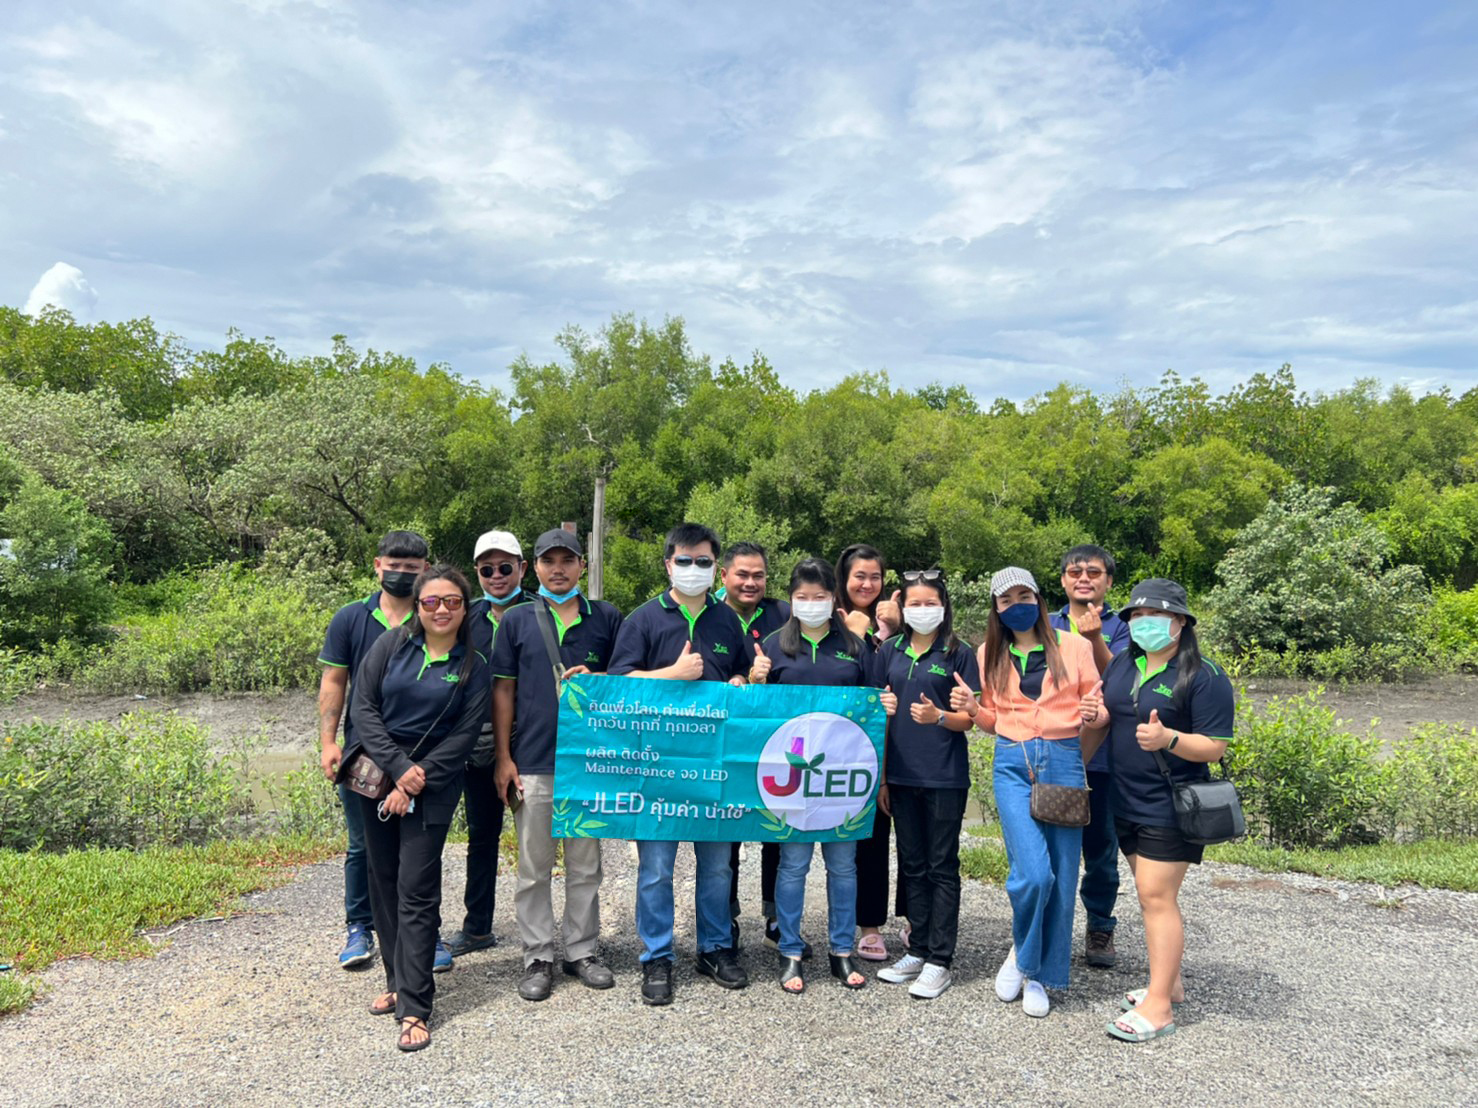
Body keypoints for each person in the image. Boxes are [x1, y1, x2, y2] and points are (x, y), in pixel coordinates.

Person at [1080, 578, 1234, 1044]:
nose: (1145, 624)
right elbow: (1105, 725)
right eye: (1137, 617)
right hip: (1124, 799)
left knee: (1155, 897)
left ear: (1181, 622)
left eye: (1157, 616)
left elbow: (1214, 747)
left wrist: (1168, 739)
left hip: (1171, 804)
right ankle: (1170, 982)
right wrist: (1093, 719)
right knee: (1151, 894)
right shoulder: (1124, 665)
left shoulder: (1204, 675)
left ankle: (1160, 1006)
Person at [607, 522, 755, 1006]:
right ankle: (656, 956)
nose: (695, 569)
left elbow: (737, 668)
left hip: (715, 765)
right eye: (685, 561)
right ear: (669, 563)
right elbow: (618, 686)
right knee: (655, 869)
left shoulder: (727, 619)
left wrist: (739, 679)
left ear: (717, 568)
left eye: (705, 562)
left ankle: (714, 948)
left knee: (716, 869)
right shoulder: (643, 619)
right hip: (657, 766)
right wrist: (672, 674)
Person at [345, 565, 491, 1052]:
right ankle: (395, 979)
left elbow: (465, 735)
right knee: (382, 883)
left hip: (433, 784)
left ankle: (415, 1006)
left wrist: (414, 779)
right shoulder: (389, 647)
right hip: (378, 775)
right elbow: (363, 708)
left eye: (452, 601)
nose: (442, 609)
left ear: (464, 608)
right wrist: (396, 767)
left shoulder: (474, 665)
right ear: (418, 606)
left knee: (417, 890)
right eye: (432, 602)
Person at [952, 566, 1099, 1018]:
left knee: (1061, 874)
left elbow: (1097, 705)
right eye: (1005, 600)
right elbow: (994, 719)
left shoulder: (1074, 646)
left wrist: (1095, 710)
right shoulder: (988, 654)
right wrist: (976, 710)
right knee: (1032, 873)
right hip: (1012, 762)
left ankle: (1036, 972)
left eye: (1023, 595)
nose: (1016, 605)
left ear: (1038, 597)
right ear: (996, 610)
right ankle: (1023, 950)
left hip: (1063, 761)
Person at [753, 558, 898, 994]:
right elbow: (754, 717)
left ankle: (841, 950)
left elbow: (875, 706)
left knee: (843, 865)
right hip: (792, 776)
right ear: (791, 598)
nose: (811, 604)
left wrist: (883, 707)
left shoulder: (856, 647)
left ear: (834, 599)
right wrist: (755, 681)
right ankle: (792, 951)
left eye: (820, 597)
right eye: (802, 597)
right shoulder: (774, 647)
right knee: (793, 864)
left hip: (843, 775)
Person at [491, 528, 624, 1001]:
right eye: (550, 561)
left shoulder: (606, 618)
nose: (559, 569)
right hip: (533, 759)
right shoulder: (517, 620)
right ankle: (537, 955)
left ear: (582, 566)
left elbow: (628, 683)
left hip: (591, 763)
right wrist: (504, 758)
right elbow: (502, 690)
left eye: (568, 560)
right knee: (534, 866)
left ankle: (582, 950)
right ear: (534, 567)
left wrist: (601, 679)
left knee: (586, 865)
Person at [317, 529, 429, 970]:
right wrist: (328, 742)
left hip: (417, 752)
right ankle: (359, 927)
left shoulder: (433, 616)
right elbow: (333, 682)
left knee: (416, 847)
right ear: (377, 565)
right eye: (394, 567)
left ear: (425, 570)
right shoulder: (351, 618)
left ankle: (423, 930)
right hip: (361, 752)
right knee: (362, 844)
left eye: (412, 569)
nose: (402, 575)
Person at [872, 570, 980, 998]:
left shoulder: (958, 652)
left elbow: (970, 718)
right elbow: (878, 711)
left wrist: (940, 716)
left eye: (929, 603)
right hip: (900, 774)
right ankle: (916, 949)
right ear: (903, 609)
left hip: (943, 775)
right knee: (911, 864)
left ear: (944, 606)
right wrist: (881, 776)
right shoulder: (890, 650)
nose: (921, 610)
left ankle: (940, 959)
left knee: (941, 866)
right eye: (913, 604)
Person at [442, 530, 532, 961]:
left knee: (545, 844)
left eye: (505, 568)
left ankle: (558, 937)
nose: (496, 576)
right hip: (476, 749)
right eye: (486, 569)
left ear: (522, 568)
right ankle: (477, 927)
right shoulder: (464, 616)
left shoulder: (542, 613)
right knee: (482, 838)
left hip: (533, 746)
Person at [1049, 544, 1131, 970]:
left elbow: (1121, 680)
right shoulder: (1044, 624)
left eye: (1094, 572)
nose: (1084, 578)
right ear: (1062, 580)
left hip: (1103, 762)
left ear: (1108, 581)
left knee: (1101, 849)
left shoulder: (1125, 626)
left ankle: (1100, 925)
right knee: (1049, 847)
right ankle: (1046, 925)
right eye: (1075, 571)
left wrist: (1095, 636)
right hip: (1052, 753)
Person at [718, 541, 793, 951]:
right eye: (742, 574)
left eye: (758, 575)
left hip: (777, 741)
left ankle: (776, 916)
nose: (750, 582)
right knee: (726, 830)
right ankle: (725, 919)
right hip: (726, 742)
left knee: (775, 830)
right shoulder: (710, 615)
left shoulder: (784, 614)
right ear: (724, 576)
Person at [834, 543, 906, 962]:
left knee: (914, 839)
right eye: (859, 576)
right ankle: (870, 925)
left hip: (907, 745)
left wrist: (891, 631)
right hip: (853, 750)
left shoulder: (900, 625)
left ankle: (914, 918)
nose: (867, 584)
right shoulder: (834, 622)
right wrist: (857, 633)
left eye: (875, 577)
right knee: (870, 840)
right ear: (844, 580)